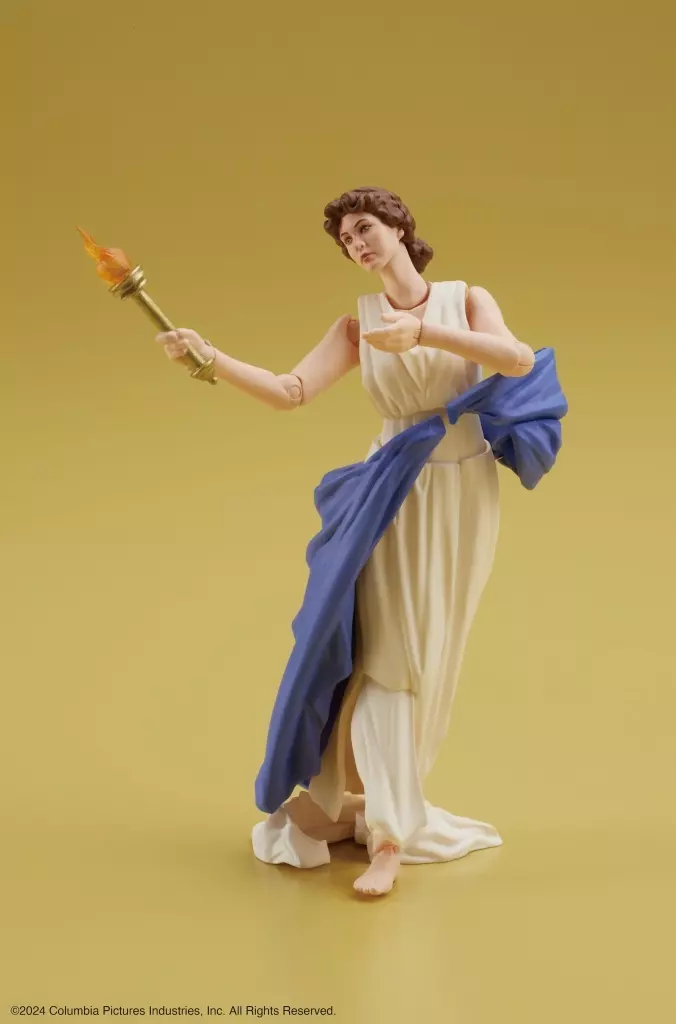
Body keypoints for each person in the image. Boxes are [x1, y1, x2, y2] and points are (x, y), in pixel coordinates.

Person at [157, 186, 542, 898]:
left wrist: (423, 335)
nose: (358, 243)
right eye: (346, 240)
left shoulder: (464, 299)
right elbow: (290, 390)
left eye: (365, 227)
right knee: (388, 652)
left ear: (399, 226)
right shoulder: (355, 327)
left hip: (464, 492)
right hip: (391, 491)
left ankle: (371, 801)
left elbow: (515, 358)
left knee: (433, 653)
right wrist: (211, 358)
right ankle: (390, 835)